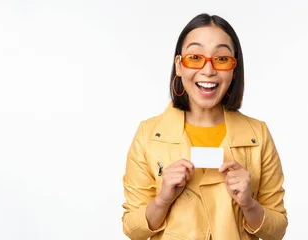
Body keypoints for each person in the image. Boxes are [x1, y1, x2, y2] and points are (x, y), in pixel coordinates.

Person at [121, 13, 288, 240]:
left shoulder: (257, 135)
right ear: (179, 66)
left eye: (221, 59)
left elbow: (277, 231)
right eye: (195, 57)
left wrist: (249, 204)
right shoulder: (148, 135)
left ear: (234, 69)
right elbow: (132, 229)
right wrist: (162, 199)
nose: (208, 70)